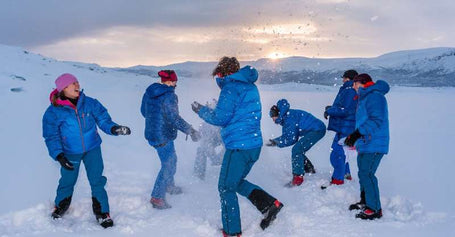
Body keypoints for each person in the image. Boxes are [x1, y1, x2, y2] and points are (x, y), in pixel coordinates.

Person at [191, 57, 283, 237]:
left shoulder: (230, 88)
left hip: (238, 147)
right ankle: (270, 205)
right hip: (253, 145)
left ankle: (232, 232)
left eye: (217, 74)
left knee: (226, 187)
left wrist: (201, 110)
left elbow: (220, 118)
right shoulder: (249, 85)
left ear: (223, 72)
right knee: (235, 182)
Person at [42, 73, 131, 228]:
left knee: (97, 180)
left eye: (77, 81)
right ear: (63, 88)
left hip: (92, 148)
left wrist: (114, 128)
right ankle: (61, 205)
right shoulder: (53, 112)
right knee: (67, 181)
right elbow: (51, 136)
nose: (77, 85)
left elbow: (103, 120)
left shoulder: (90, 103)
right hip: (69, 152)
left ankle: (102, 213)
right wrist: (59, 155)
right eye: (73, 83)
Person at [141, 70, 200, 209]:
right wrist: (190, 130)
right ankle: (157, 197)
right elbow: (174, 118)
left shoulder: (149, 92)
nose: (175, 84)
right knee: (168, 164)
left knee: (171, 160)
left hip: (152, 133)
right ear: (168, 81)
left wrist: (155, 121)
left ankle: (169, 186)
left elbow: (144, 111)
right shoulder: (169, 95)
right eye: (174, 81)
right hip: (163, 135)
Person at [344, 73, 390, 220]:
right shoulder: (364, 98)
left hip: (375, 143)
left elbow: (376, 120)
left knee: (367, 174)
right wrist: (354, 136)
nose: (353, 86)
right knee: (362, 173)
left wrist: (358, 133)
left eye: (354, 84)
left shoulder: (375, 96)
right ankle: (366, 202)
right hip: (365, 142)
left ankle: (375, 208)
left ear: (362, 83)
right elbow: (363, 120)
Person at [267, 99, 326, 187]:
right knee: (299, 148)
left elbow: (291, 138)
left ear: (278, 114)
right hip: (316, 129)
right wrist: (275, 141)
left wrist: (276, 142)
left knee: (297, 149)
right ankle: (309, 169)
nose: (273, 120)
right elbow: (288, 136)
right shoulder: (287, 116)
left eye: (273, 117)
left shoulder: (289, 118)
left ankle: (298, 178)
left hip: (317, 130)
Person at [323, 69, 359, 187]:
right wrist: (332, 108)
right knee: (343, 153)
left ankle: (337, 181)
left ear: (348, 78)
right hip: (347, 127)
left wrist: (330, 110)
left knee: (336, 155)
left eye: (344, 78)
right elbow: (345, 107)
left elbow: (345, 110)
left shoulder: (349, 90)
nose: (343, 80)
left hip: (346, 127)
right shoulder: (351, 90)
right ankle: (346, 174)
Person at [193, 100, 224, 180]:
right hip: (213, 139)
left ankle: (229, 176)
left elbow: (227, 145)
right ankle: (198, 175)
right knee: (201, 149)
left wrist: (218, 159)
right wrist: (214, 158)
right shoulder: (205, 126)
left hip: (226, 140)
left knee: (231, 151)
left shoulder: (222, 123)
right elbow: (205, 145)